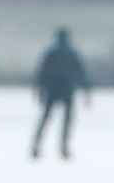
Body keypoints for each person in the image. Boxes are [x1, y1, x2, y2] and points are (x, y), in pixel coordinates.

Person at [32, 28, 92, 161]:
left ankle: (37, 147)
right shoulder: (70, 53)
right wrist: (87, 91)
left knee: (46, 119)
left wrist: (39, 90)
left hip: (55, 90)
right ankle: (62, 148)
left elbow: (42, 73)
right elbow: (81, 73)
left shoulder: (52, 53)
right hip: (65, 90)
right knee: (65, 121)